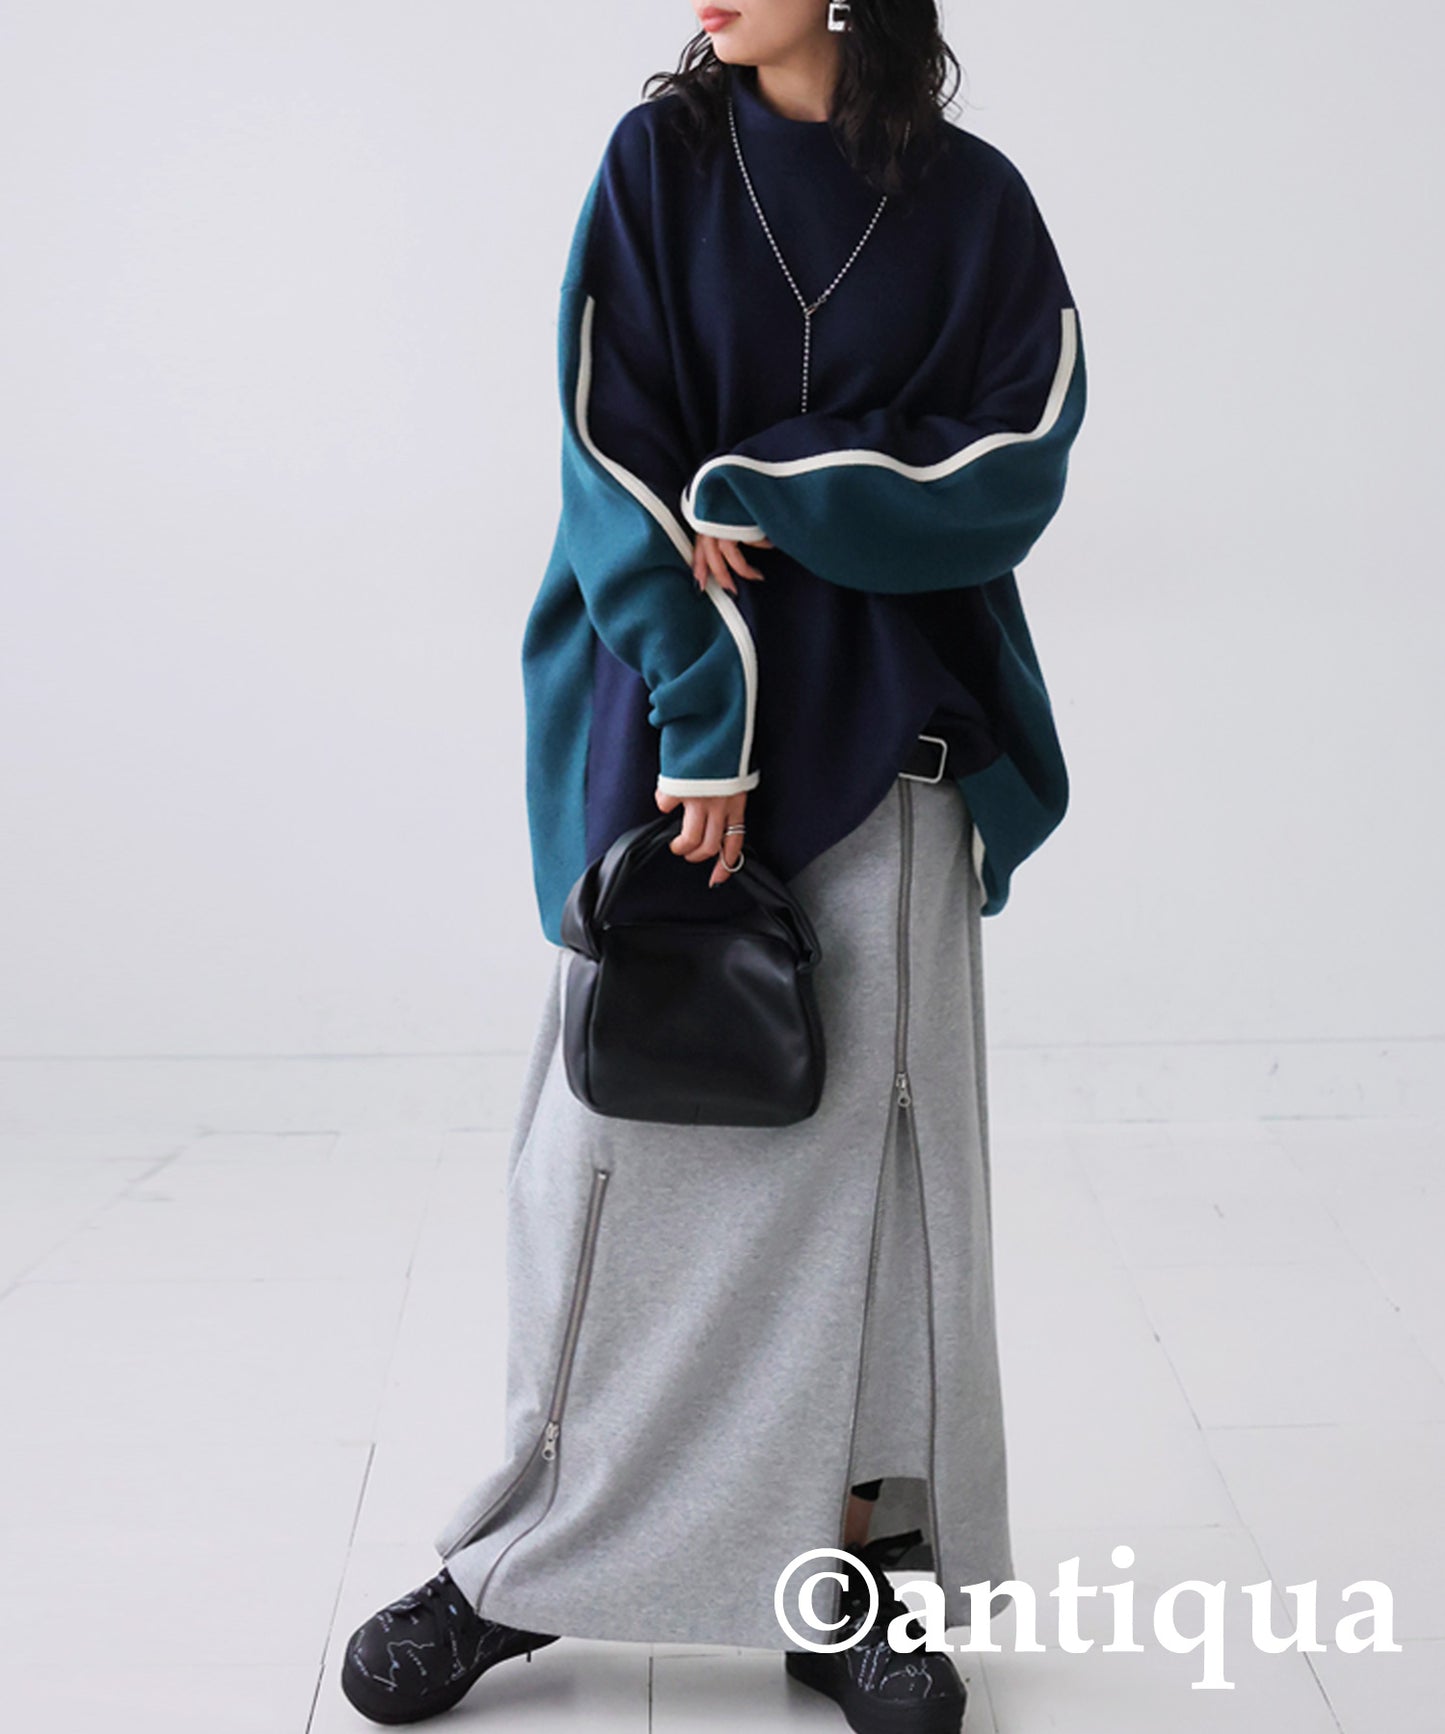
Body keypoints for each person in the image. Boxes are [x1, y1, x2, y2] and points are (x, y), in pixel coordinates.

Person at [340, 1, 1086, 1729]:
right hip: (674, 735)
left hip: (894, 736)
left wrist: (773, 483)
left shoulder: (975, 203)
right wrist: (706, 715)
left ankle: (845, 1576)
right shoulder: (659, 167)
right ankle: (523, 1562)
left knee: (873, 1181)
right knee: (610, 1164)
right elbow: (607, 457)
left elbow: (1017, 457)